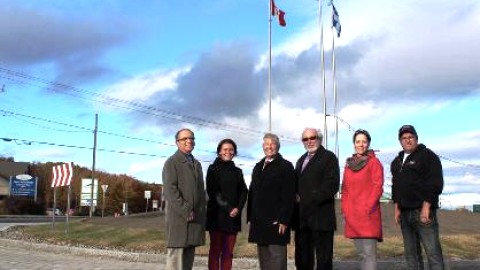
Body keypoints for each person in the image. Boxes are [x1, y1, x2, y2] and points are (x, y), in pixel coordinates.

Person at [391, 125, 445, 270]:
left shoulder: (428, 156)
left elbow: (435, 183)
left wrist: (426, 208)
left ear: (416, 139)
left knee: (433, 254)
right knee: (412, 255)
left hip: (422, 212)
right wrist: (397, 209)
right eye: (404, 138)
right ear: (400, 141)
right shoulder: (396, 162)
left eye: (410, 137)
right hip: (404, 214)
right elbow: (395, 187)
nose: (407, 140)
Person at [247, 133, 296, 270]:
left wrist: (284, 219)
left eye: (272, 144)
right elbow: (252, 192)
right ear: (263, 147)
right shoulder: (258, 166)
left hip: (276, 221)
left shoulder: (286, 166)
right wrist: (250, 216)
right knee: (264, 260)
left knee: (277, 260)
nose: (269, 146)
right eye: (266, 144)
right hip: (259, 221)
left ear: (277, 146)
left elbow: (289, 195)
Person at [293, 127, 340, 270]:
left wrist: (308, 198)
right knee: (302, 258)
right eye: (305, 139)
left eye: (312, 137)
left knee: (323, 259)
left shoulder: (328, 157)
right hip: (302, 219)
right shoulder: (300, 160)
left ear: (319, 139)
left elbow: (331, 185)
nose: (309, 141)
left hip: (321, 217)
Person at [162, 128, 206, 270]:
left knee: (188, 260)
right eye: (185, 138)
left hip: (194, 220)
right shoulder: (172, 162)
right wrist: (186, 210)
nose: (189, 141)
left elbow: (200, 191)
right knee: (176, 260)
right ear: (177, 142)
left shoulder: (197, 164)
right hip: (179, 219)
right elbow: (170, 190)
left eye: (192, 138)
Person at [341, 129, 384, 270]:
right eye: (358, 141)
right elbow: (345, 189)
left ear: (368, 143)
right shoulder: (349, 165)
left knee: (368, 255)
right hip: (353, 217)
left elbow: (378, 187)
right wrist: (345, 210)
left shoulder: (374, 163)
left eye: (364, 141)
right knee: (361, 254)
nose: (361, 144)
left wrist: (366, 208)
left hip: (367, 217)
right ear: (354, 144)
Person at [206, 139, 248, 270]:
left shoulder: (238, 171)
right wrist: (229, 208)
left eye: (231, 150)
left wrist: (238, 208)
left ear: (234, 152)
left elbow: (243, 191)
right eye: (225, 149)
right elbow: (214, 192)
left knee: (228, 253)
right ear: (219, 151)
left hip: (233, 218)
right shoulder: (212, 169)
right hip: (217, 217)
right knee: (215, 252)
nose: (228, 152)